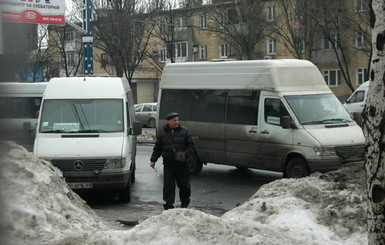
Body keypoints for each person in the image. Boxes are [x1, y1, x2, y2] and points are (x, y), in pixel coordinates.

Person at [150, 112, 196, 210]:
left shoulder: (185, 132)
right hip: (168, 164)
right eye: (174, 120)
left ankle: (184, 203)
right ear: (169, 121)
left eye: (177, 120)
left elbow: (192, 146)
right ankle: (168, 205)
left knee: (184, 186)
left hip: (182, 164)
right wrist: (153, 160)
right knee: (168, 186)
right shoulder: (163, 134)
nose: (176, 122)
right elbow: (158, 148)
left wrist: (184, 154)